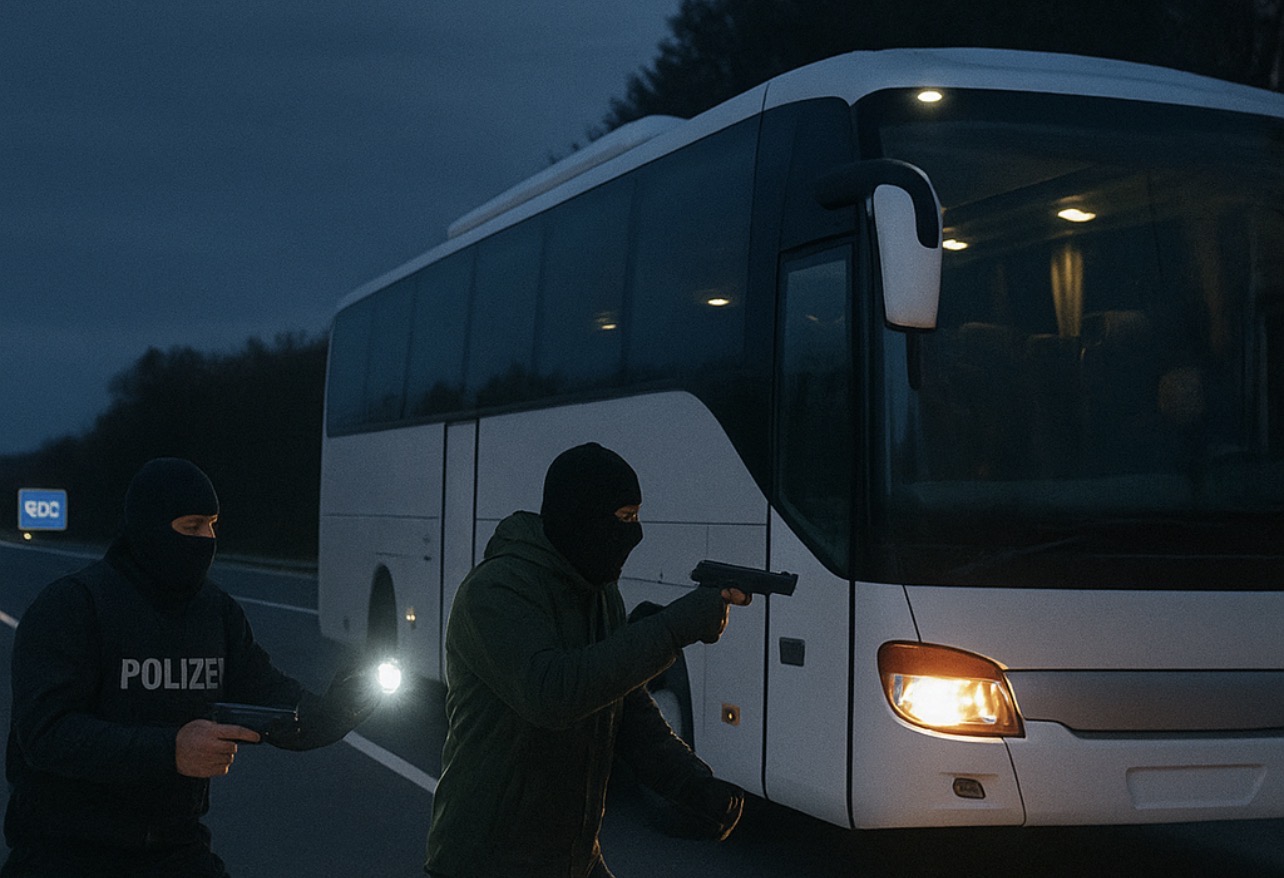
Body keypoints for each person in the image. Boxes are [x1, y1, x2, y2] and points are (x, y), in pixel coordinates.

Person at [2, 457, 380, 878]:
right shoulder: (73, 606)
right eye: (192, 526)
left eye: (213, 525)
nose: (208, 539)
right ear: (148, 528)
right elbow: (45, 734)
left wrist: (332, 712)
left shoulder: (216, 613)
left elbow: (266, 691)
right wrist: (171, 750)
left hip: (176, 848)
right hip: (67, 854)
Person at [426, 442, 751, 878]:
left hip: (571, 857)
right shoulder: (495, 592)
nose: (635, 534)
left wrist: (691, 785)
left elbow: (626, 707)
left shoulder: (598, 592)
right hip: (488, 861)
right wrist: (674, 629)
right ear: (581, 517)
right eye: (625, 518)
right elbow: (553, 693)